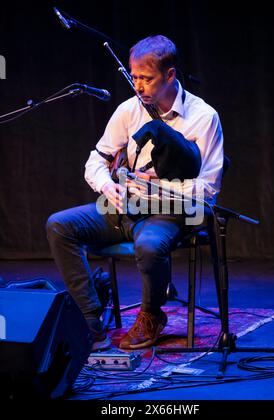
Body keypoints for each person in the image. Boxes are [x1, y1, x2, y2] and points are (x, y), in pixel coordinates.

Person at [46, 35, 224, 351]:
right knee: (60, 225)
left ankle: (151, 316)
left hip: (172, 209)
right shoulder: (129, 110)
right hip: (124, 203)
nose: (138, 86)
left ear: (170, 75)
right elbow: (97, 158)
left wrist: (156, 186)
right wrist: (106, 184)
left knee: (150, 245)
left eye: (146, 78)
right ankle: (90, 319)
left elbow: (208, 188)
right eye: (134, 77)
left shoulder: (203, 116)